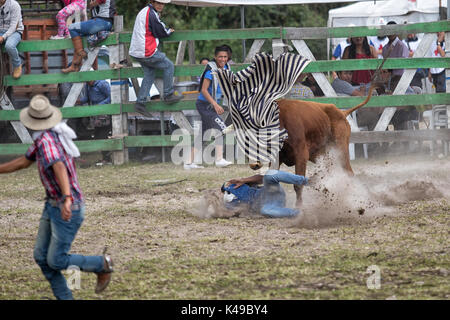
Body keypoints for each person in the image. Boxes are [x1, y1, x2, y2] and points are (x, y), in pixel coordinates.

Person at [0, 95, 114, 300]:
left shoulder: (46, 141)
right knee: (42, 257)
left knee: (57, 259)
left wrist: (67, 198)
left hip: (66, 204)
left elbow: (59, 166)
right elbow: (23, 162)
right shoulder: (49, 136)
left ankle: (101, 264)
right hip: (53, 204)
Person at [129, 0, 182, 116]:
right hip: (146, 51)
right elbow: (160, 31)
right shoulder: (151, 14)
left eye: (162, 4)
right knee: (169, 65)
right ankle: (168, 94)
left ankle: (140, 103)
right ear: (152, 2)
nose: (161, 6)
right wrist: (168, 31)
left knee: (149, 74)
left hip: (137, 51)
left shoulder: (146, 11)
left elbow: (156, 26)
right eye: (158, 3)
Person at [184, 45, 233, 169]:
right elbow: (204, 90)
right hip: (205, 105)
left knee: (202, 135)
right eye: (220, 56)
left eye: (225, 56)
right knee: (221, 128)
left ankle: (188, 163)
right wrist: (215, 104)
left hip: (212, 105)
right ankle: (219, 159)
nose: (223, 59)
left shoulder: (227, 67)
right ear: (215, 57)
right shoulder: (210, 70)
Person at [221, 169, 313, 218]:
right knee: (265, 211)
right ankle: (302, 214)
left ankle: (309, 181)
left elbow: (262, 178)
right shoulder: (224, 208)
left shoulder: (230, 185)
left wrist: (244, 180)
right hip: (269, 206)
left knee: (270, 174)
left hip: (271, 191)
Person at [61, 0, 117, 73]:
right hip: (104, 22)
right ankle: (74, 65)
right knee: (78, 39)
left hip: (102, 22)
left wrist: (93, 3)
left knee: (72, 27)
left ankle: (80, 53)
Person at [0, 0, 24, 79]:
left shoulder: (14, 4)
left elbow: (14, 26)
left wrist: (3, 37)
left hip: (15, 32)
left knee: (9, 46)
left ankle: (17, 65)